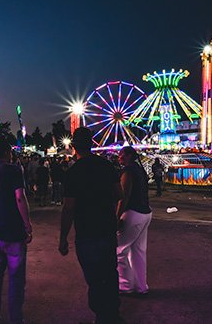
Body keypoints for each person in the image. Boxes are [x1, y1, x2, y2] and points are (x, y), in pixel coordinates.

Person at [58, 127, 125, 324]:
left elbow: (68, 208)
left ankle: (101, 315)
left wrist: (63, 238)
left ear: (74, 146)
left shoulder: (73, 173)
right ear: (92, 143)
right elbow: (119, 194)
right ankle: (112, 313)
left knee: (94, 277)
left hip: (86, 231)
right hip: (106, 228)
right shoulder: (107, 166)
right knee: (110, 272)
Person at [0, 140, 32, 324]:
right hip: (13, 234)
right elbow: (20, 198)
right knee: (16, 279)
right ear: (7, 152)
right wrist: (27, 224)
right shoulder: (13, 170)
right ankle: (16, 318)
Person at [117, 146, 152, 295]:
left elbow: (124, 196)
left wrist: (117, 216)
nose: (119, 158)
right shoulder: (139, 170)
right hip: (145, 212)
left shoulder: (128, 172)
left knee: (120, 250)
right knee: (138, 251)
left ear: (130, 156)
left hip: (133, 213)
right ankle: (141, 286)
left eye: (122, 155)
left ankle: (125, 285)